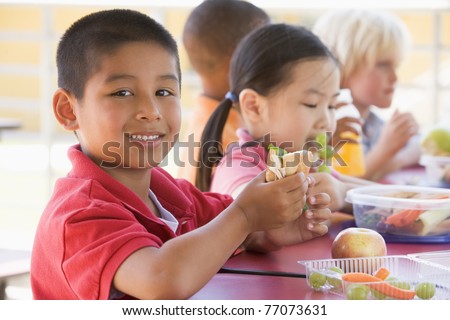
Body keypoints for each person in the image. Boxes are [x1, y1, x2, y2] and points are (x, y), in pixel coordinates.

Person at [30, 9, 332, 300]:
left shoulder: (167, 193)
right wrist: (245, 216)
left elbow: (230, 226)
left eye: (164, 92)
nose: (150, 111)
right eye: (122, 92)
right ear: (68, 110)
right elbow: (162, 279)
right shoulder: (78, 215)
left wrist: (270, 229)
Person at [196, 23, 373, 213]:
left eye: (331, 106)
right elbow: (250, 214)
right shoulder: (240, 166)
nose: (326, 121)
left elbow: (382, 196)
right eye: (311, 104)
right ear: (254, 107)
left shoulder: (306, 164)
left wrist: (343, 192)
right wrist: (344, 194)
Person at [313, 9, 421, 181]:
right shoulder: (331, 126)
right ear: (343, 65)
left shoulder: (373, 123)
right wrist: (385, 150)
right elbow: (338, 185)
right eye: (383, 65)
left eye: (396, 65)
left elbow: (418, 148)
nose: (395, 77)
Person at [176, 0, 270, 184]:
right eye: (265, 52)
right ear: (238, 59)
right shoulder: (228, 137)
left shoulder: (207, 119)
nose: (274, 61)